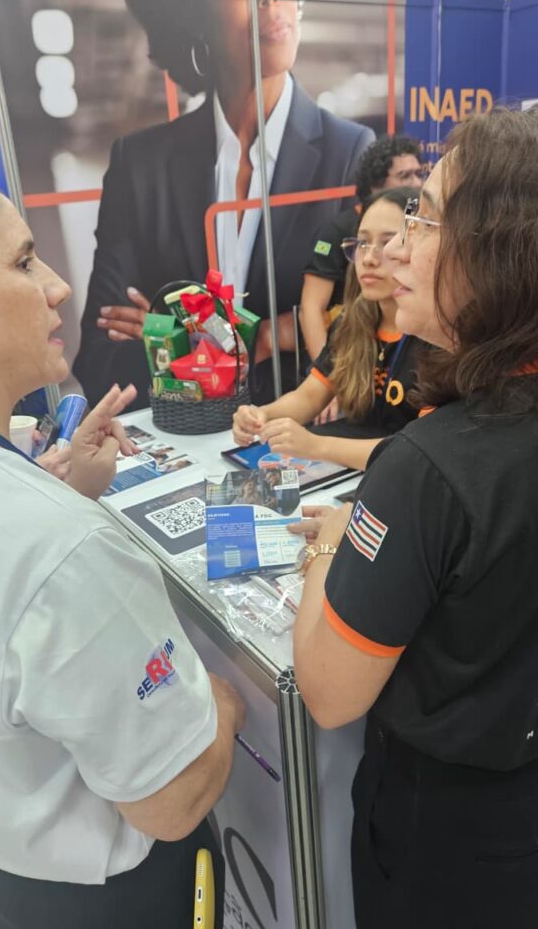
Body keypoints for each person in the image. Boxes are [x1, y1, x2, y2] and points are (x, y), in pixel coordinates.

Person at [0, 170, 245, 928]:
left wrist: (56, 488)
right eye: (24, 262)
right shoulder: (60, 549)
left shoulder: (29, 516)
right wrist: (222, 705)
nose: (58, 287)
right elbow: (173, 799)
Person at [293, 106, 538, 929]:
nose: (394, 248)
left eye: (423, 218)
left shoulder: (430, 469)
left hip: (446, 838)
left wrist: (327, 548)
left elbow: (329, 695)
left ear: (495, 250)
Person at [73, 0, 374, 410]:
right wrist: (263, 336)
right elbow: (101, 357)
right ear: (192, 5)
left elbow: (364, 331)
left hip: (294, 441)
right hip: (179, 443)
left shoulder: (349, 154)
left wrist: (176, 339)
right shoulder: (140, 167)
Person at [232, 187, 423, 472]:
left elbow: (418, 452)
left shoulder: (436, 337)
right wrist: (261, 415)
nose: (369, 258)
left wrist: (315, 446)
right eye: (363, 243)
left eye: (387, 243)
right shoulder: (351, 323)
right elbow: (309, 397)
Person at [299, 134, 423, 366]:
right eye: (404, 175)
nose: (416, 183)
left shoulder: (423, 227)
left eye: (419, 174)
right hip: (353, 350)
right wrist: (329, 373)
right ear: (376, 183)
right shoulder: (334, 231)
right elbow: (311, 308)